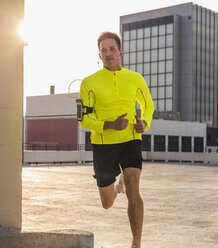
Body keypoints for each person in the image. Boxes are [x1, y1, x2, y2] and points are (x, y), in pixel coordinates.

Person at [79, 31, 154, 248]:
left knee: (134, 190)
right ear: (99, 55)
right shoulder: (89, 82)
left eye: (112, 49)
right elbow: (84, 119)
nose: (108, 54)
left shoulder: (135, 78)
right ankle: (116, 188)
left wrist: (144, 124)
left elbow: (148, 106)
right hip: (103, 145)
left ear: (121, 52)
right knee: (107, 203)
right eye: (104, 50)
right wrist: (109, 125)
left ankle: (136, 244)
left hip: (130, 140)